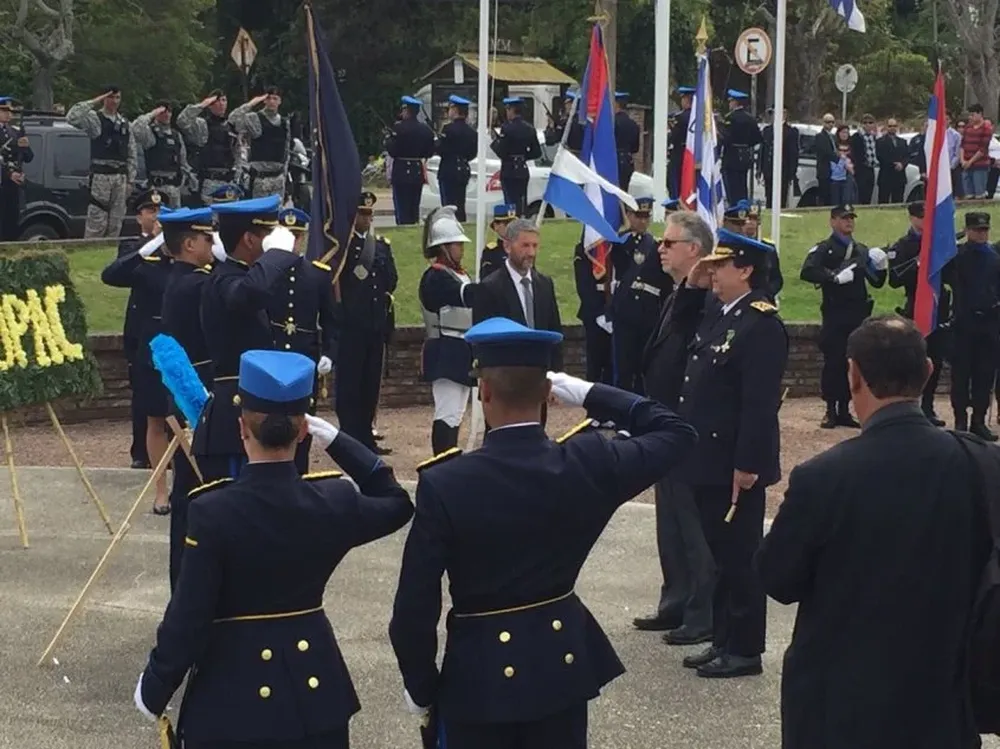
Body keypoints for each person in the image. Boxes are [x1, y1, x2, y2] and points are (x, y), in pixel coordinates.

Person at [388, 317, 698, 749]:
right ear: (549, 396)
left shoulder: (446, 483)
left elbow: (413, 611)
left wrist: (422, 690)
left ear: (486, 392)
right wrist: (590, 392)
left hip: (478, 678)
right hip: (560, 667)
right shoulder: (590, 462)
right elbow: (677, 432)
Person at [134, 349, 414, 749]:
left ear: (241, 429)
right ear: (303, 432)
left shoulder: (212, 511)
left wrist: (156, 686)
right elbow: (396, 502)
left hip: (231, 698)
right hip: (316, 694)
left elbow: (189, 616)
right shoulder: (333, 499)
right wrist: (338, 440)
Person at [755, 315, 992, 749]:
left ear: (853, 376)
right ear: (927, 372)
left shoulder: (822, 478)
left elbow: (778, 579)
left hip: (840, 706)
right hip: (941, 695)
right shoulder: (981, 464)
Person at [675, 229, 789, 679]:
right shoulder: (724, 315)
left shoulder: (760, 324)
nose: (712, 273)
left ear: (745, 271)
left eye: (721, 266)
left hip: (733, 463)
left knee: (740, 556)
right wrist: (697, 280)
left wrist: (748, 465)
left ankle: (744, 647)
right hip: (707, 458)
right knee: (721, 554)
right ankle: (723, 637)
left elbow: (758, 406)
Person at [634, 210, 716, 642]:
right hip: (663, 421)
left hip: (687, 424)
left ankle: (701, 612)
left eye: (668, 243)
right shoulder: (674, 292)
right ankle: (675, 601)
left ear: (695, 250)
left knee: (692, 522)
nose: (659, 248)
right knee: (669, 518)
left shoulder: (703, 299)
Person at [192, 196, 301, 483]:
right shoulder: (224, 280)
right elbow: (249, 294)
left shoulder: (242, 276)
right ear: (251, 240)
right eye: (266, 234)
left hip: (253, 414)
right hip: (233, 421)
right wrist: (277, 254)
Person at [157, 205, 217, 590]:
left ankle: (184, 584)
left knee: (189, 493)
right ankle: (189, 586)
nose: (213, 245)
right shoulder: (197, 285)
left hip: (185, 398)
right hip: (197, 401)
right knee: (197, 494)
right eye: (208, 238)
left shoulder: (180, 280)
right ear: (190, 243)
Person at [101, 188, 171, 514]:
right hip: (140, 335)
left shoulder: (174, 253)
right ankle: (140, 453)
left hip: (169, 338)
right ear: (141, 215)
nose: (155, 217)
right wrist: (151, 244)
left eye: (159, 212)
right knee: (144, 401)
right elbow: (114, 274)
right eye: (149, 212)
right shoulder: (135, 247)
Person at [800, 205, 888, 429]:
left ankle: (845, 409)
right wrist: (833, 278)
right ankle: (830, 409)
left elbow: (876, 282)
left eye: (851, 218)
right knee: (833, 361)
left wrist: (882, 266)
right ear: (832, 221)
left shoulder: (861, 250)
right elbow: (807, 271)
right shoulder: (825, 248)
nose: (849, 222)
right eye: (843, 218)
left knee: (853, 362)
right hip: (835, 314)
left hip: (857, 314)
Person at [267, 207, 339, 474]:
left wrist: (330, 353)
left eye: (298, 236)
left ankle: (300, 472)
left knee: (302, 419)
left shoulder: (317, 274)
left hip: (304, 356)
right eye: (289, 235)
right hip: (273, 353)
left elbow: (332, 320)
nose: (294, 242)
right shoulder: (268, 271)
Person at [337, 192, 398, 455]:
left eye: (370, 214)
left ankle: (366, 436)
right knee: (350, 385)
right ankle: (351, 437)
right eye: (363, 214)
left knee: (370, 384)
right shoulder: (341, 246)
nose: (367, 219)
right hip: (351, 326)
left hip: (375, 324)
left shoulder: (381, 246)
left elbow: (391, 280)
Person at [418, 206, 477, 454]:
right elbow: (463, 297)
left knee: (457, 413)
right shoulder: (436, 276)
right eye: (456, 244)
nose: (461, 249)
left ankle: (448, 458)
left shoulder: (456, 273)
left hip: (461, 348)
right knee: (448, 412)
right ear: (444, 247)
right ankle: (442, 461)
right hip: (446, 347)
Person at [887, 201, 951, 426]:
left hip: (937, 306)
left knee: (936, 359)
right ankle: (909, 405)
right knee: (913, 359)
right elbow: (894, 280)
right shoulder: (903, 245)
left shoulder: (938, 242)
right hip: (915, 306)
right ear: (913, 218)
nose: (927, 221)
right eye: (922, 216)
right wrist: (917, 265)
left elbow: (951, 275)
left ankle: (928, 406)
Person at [943, 211, 1000, 440]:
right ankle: (960, 419)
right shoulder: (956, 257)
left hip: (988, 324)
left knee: (984, 375)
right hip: (963, 324)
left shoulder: (995, 257)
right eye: (977, 230)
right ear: (967, 231)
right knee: (961, 375)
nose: (982, 234)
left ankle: (978, 419)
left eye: (985, 230)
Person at [608, 197, 672, 394]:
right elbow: (612, 268)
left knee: (645, 366)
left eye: (646, 216)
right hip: (626, 311)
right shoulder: (620, 243)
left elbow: (665, 283)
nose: (643, 221)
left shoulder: (655, 245)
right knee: (624, 367)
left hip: (649, 312)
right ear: (629, 216)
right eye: (639, 216)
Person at [66, 86, 137, 238]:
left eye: (117, 97)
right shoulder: (95, 119)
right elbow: (72, 117)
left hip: (120, 177)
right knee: (97, 222)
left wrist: (130, 180)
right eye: (111, 97)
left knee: (116, 223)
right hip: (101, 176)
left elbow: (131, 153)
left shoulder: (125, 123)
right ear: (104, 98)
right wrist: (96, 100)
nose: (114, 101)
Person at [176, 90, 239, 206]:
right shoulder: (202, 125)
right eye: (217, 101)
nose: (221, 104)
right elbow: (182, 121)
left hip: (229, 182)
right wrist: (203, 104)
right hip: (209, 181)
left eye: (224, 100)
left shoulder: (231, 127)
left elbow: (238, 154)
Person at [228, 87, 289, 199]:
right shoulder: (254, 118)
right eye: (269, 98)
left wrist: (286, 176)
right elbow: (232, 119)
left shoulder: (285, 123)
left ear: (280, 101)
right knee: (259, 215)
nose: (271, 102)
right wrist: (251, 103)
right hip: (259, 178)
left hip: (278, 179)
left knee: (276, 214)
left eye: (275, 99)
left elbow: (286, 149)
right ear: (264, 100)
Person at [386, 95, 435, 225]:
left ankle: (403, 225)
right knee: (414, 206)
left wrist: (388, 140)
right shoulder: (425, 130)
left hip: (401, 170)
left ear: (406, 110)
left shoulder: (398, 128)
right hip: (416, 170)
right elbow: (429, 152)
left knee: (402, 207)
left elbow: (392, 151)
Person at [132, 100, 190, 208]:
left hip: (174, 189)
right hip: (156, 188)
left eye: (169, 111)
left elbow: (183, 162)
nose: (166, 114)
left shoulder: (176, 135)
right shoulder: (151, 133)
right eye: (163, 111)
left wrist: (183, 181)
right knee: (155, 221)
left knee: (173, 222)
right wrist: (152, 114)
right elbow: (135, 128)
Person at [490, 97, 541, 215]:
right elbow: (537, 152)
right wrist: (522, 157)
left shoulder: (507, 128)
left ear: (511, 110)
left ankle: (512, 225)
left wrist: (495, 141)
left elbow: (502, 151)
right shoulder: (529, 128)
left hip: (509, 169)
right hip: (522, 169)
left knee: (510, 202)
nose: (507, 113)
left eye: (507, 110)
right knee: (521, 202)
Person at [436, 94, 477, 222]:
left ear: (455, 110)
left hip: (449, 169)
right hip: (463, 169)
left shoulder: (448, 129)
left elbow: (440, 150)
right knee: (460, 203)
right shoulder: (471, 131)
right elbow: (473, 153)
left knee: (448, 205)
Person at [0, 97, 33, 241]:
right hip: (3, 179)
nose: (9, 114)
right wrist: (8, 174)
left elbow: (28, 157)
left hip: (12, 185)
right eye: (4, 111)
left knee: (11, 222)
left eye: (10, 111)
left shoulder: (14, 132)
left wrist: (25, 146)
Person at [720, 89, 761, 205]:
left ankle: (734, 208)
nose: (729, 104)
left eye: (730, 102)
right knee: (742, 185)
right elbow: (757, 138)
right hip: (744, 156)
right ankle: (743, 206)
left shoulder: (730, 118)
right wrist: (746, 144)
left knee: (732, 187)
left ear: (735, 102)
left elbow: (726, 138)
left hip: (731, 156)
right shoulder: (750, 118)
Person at [742, 202, 783, 302]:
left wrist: (767, 293)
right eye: (747, 219)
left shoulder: (768, 248)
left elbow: (777, 279)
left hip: (764, 300)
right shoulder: (736, 246)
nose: (751, 222)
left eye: (754, 219)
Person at [759, 108, 798, 210]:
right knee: (769, 196)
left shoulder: (790, 131)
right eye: (772, 114)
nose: (773, 116)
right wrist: (760, 169)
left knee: (781, 198)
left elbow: (793, 153)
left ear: (784, 114)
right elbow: (763, 151)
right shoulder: (767, 130)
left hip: (783, 171)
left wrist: (791, 173)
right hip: (768, 170)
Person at [960, 104, 992, 199]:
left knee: (979, 194)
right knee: (968, 194)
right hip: (966, 164)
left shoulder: (986, 128)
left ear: (980, 114)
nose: (971, 117)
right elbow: (962, 145)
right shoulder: (968, 128)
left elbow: (982, 149)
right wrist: (962, 160)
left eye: (973, 115)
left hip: (980, 165)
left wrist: (970, 162)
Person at [667, 86, 695, 198]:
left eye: (683, 99)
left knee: (674, 180)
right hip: (694, 153)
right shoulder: (700, 117)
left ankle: (676, 203)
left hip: (680, 153)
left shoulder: (680, 117)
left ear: (687, 100)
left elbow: (675, 136)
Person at [875, 118, 908, 204]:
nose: (892, 128)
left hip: (900, 178)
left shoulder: (903, 142)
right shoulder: (880, 141)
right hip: (886, 177)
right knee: (883, 202)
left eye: (894, 126)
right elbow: (880, 157)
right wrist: (894, 164)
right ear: (886, 127)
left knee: (898, 203)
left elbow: (907, 156)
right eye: (890, 126)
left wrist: (902, 164)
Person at [849, 114, 880, 205]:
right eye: (865, 123)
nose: (867, 125)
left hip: (871, 169)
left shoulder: (875, 137)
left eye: (870, 122)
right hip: (860, 170)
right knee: (860, 195)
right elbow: (853, 154)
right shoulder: (856, 137)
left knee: (869, 194)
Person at [480, 203, 516, 279]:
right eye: (507, 224)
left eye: (513, 223)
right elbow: (487, 280)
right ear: (496, 226)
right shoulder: (491, 252)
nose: (511, 227)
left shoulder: (521, 248)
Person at [613, 92, 640, 191]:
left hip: (614, 159)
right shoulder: (633, 124)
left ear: (616, 104)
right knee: (624, 189)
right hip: (628, 160)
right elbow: (635, 148)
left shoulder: (612, 122)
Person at [814, 114, 838, 206]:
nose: (831, 124)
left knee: (832, 197)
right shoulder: (820, 137)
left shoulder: (834, 137)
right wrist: (838, 157)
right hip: (824, 171)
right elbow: (827, 152)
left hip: (834, 172)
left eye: (832, 122)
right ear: (823, 123)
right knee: (824, 196)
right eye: (828, 122)